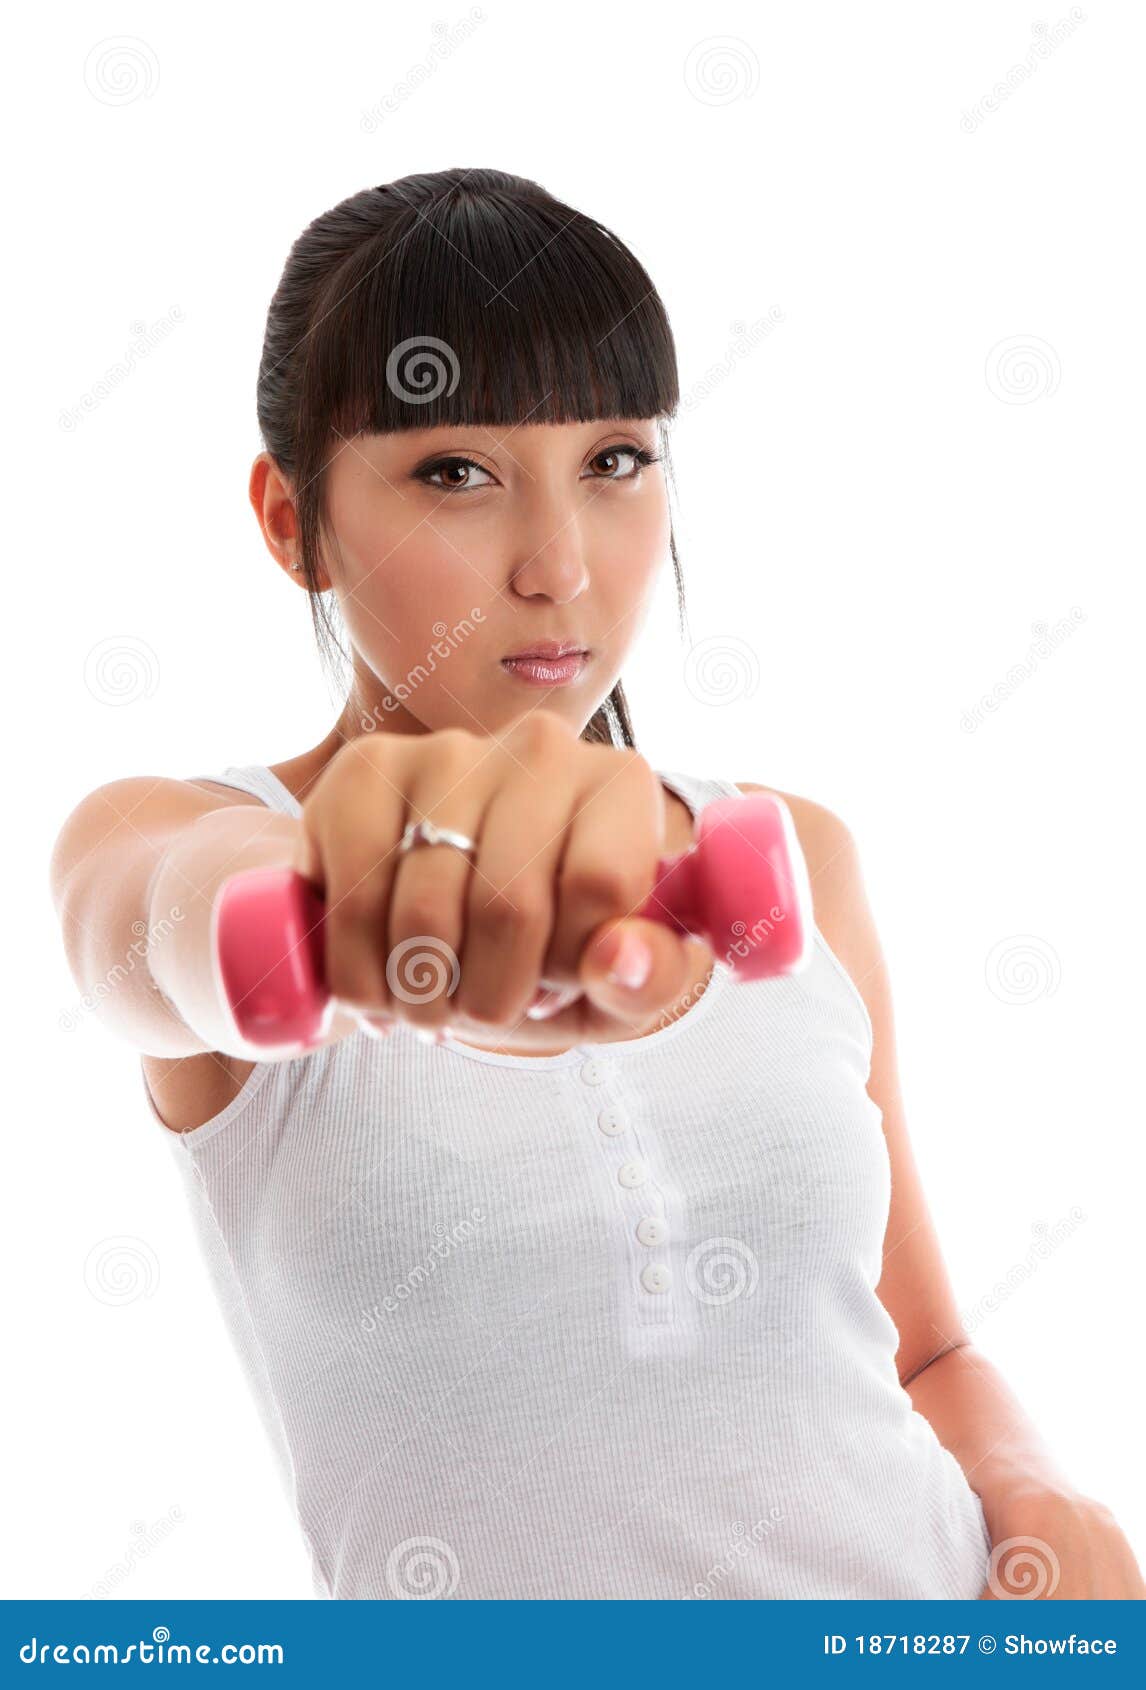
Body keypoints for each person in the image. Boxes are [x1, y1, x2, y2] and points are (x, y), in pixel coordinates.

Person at [49, 167, 1144, 1601]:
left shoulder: (793, 852)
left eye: (616, 460)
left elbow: (923, 1347)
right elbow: (165, 925)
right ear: (291, 520)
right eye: (454, 470)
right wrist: (328, 907)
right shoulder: (166, 832)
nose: (558, 565)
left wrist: (1035, 1498)